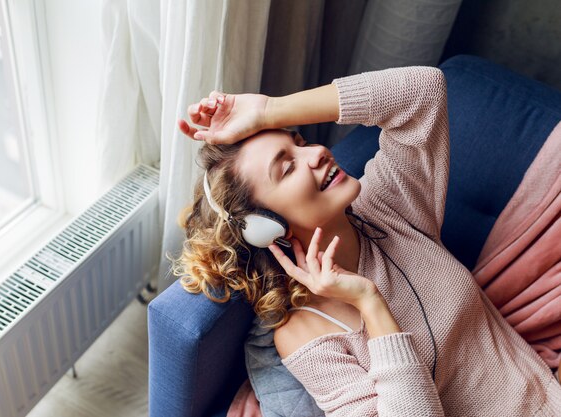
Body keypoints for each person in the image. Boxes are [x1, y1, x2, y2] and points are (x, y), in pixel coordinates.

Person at [173, 66, 561, 416]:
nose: (318, 153)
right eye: (288, 167)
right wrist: (369, 302)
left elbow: (422, 92)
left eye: (300, 141)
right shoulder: (304, 335)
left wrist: (270, 110)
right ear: (267, 226)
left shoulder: (389, 205)